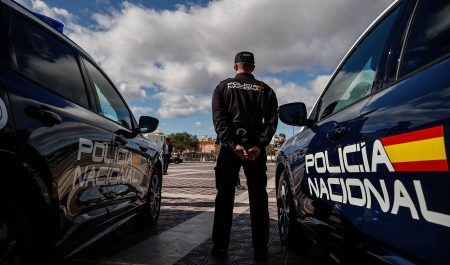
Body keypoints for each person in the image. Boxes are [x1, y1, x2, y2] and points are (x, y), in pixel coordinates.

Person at [211, 51, 278, 260]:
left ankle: (220, 246)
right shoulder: (265, 89)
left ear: (235, 66)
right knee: (258, 197)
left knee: (224, 197)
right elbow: (272, 121)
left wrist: (233, 144)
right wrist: (259, 145)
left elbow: (219, 121)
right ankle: (261, 247)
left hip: (230, 150)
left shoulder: (223, 86)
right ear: (253, 67)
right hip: (255, 151)